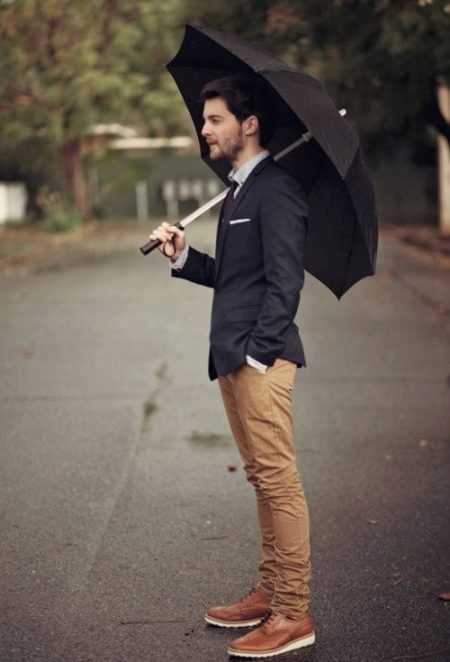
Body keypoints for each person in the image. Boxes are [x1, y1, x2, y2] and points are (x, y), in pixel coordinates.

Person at [149, 74, 314, 658]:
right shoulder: (240, 192)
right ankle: (271, 590)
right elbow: (236, 278)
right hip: (233, 357)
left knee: (279, 480)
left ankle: (293, 610)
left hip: (259, 359)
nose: (205, 129)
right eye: (204, 120)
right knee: (261, 478)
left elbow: (285, 283)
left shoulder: (277, 190)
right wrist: (184, 256)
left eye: (215, 119)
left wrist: (258, 353)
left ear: (249, 124)